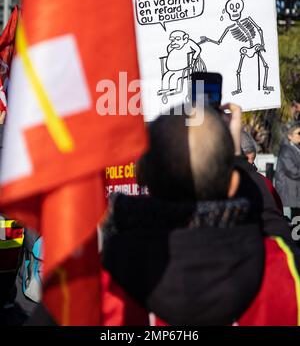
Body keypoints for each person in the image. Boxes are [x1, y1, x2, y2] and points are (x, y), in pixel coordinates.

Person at [103, 105, 299, 325]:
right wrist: (239, 163)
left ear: (143, 177)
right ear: (234, 184)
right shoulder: (283, 271)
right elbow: (274, 227)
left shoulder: (106, 283)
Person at [241, 130, 283, 213]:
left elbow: (278, 214)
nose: (254, 168)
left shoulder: (264, 183)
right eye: (245, 163)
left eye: (252, 163)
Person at [275, 123, 300, 219]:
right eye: (298, 133)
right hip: (290, 194)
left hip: (295, 193)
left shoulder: (296, 149)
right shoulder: (286, 150)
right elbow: (293, 172)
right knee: (294, 221)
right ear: (290, 136)